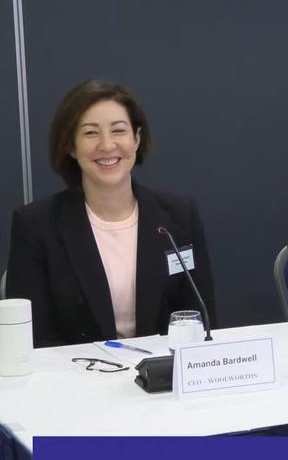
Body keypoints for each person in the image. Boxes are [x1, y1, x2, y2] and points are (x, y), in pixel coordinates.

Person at [6, 80, 216, 348]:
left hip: (167, 377)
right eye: (91, 133)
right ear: (71, 146)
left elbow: (204, 321)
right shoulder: (36, 226)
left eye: (118, 130)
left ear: (136, 139)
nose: (107, 145)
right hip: (79, 379)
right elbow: (31, 340)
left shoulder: (179, 217)